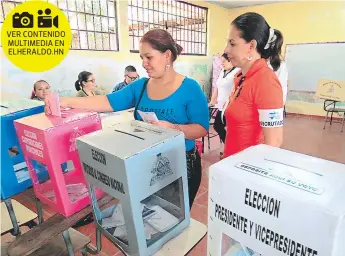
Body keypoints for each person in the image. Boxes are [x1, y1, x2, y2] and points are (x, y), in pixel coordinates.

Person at [45, 28, 209, 210]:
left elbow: (201, 128)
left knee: (172, 216)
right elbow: (108, 101)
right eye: (141, 58)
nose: (144, 63)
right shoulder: (141, 86)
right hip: (145, 162)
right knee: (150, 216)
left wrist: (174, 128)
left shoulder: (190, 88)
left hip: (179, 164)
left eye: (149, 57)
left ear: (167, 55)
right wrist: (65, 101)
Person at [223, 12, 284, 158]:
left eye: (232, 43)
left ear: (251, 45)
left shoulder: (265, 80)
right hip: (231, 163)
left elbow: (273, 143)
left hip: (246, 169)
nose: (226, 50)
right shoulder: (240, 77)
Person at [209, 53, 240, 144]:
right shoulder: (223, 71)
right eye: (221, 61)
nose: (222, 63)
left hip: (231, 106)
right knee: (217, 126)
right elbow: (217, 87)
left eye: (224, 61)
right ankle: (229, 146)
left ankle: (231, 148)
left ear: (231, 60)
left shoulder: (238, 72)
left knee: (231, 129)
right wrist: (212, 100)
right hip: (221, 106)